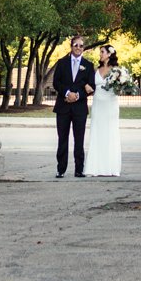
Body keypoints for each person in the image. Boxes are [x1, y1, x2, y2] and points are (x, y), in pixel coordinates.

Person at [50, 35, 98, 178]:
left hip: (79, 108)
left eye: (81, 45)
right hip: (63, 107)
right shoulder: (62, 62)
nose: (78, 48)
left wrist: (77, 95)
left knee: (79, 139)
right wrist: (66, 93)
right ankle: (61, 169)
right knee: (62, 139)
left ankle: (79, 169)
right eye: (76, 45)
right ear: (71, 47)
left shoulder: (88, 65)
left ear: (84, 48)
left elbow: (91, 86)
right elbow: (56, 82)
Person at [84, 44, 124, 177]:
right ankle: (95, 168)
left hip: (110, 105)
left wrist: (121, 86)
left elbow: (120, 89)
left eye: (102, 52)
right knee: (97, 133)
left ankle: (111, 168)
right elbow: (91, 85)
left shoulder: (117, 70)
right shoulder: (96, 69)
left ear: (109, 54)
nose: (100, 54)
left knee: (110, 133)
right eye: (100, 52)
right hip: (97, 105)